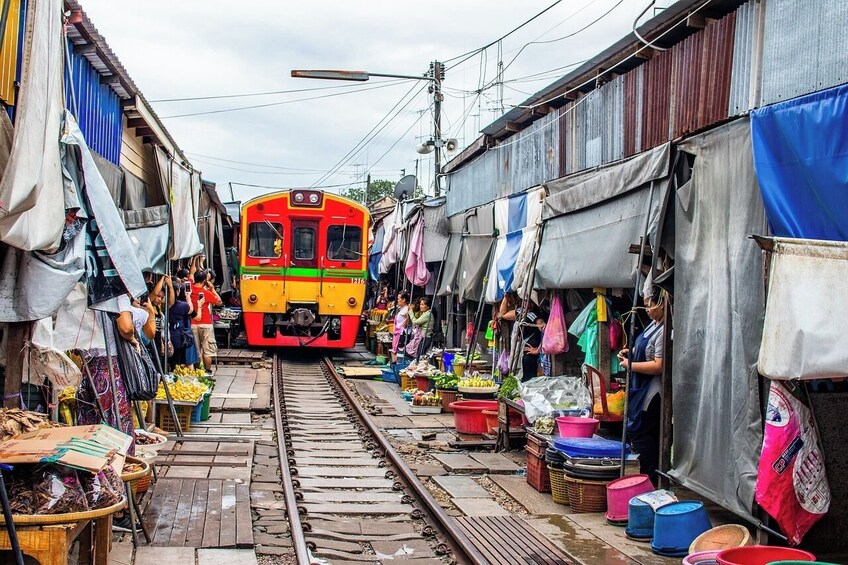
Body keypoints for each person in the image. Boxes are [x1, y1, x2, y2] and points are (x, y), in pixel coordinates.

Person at [617, 288, 665, 486]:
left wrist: (630, 365)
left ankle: (650, 480)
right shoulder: (654, 324)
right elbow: (644, 348)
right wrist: (632, 351)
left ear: (661, 303)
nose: (646, 309)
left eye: (649, 305)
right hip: (640, 386)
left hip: (652, 392)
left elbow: (658, 365)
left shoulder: (664, 330)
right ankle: (648, 477)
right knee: (640, 433)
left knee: (642, 434)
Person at [500, 295, 546, 381]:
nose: (527, 304)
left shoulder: (535, 316)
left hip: (530, 355)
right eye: (525, 301)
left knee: (529, 378)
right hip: (520, 352)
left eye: (530, 302)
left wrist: (538, 349)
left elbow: (545, 331)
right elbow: (503, 314)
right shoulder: (520, 312)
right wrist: (506, 297)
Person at [190, 269, 222, 374]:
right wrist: (212, 289)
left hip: (193, 323)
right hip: (206, 324)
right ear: (204, 281)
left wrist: (195, 259)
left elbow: (191, 273)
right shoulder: (206, 293)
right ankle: (207, 372)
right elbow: (219, 302)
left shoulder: (190, 290)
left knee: (197, 351)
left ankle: (197, 372)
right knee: (207, 351)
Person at [390, 291, 410, 364]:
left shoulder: (406, 309)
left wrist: (405, 324)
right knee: (396, 352)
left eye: (399, 299)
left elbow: (408, 320)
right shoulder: (401, 309)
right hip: (398, 333)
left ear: (404, 300)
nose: (397, 300)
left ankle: (400, 366)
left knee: (400, 353)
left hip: (403, 334)